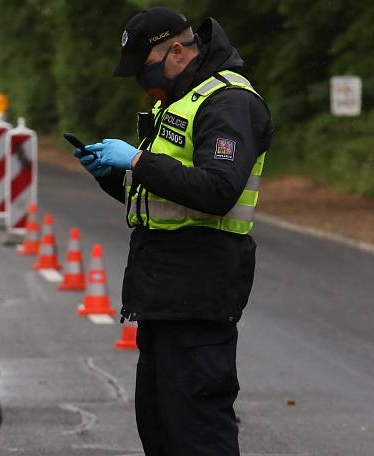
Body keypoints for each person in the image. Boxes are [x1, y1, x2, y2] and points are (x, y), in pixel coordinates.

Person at [72, 6, 273, 456]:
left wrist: (139, 160)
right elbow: (163, 199)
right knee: (160, 425)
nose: (144, 83)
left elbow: (218, 188)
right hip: (162, 295)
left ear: (177, 50)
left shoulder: (229, 102)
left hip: (201, 292)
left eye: (145, 68)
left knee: (198, 432)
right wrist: (110, 174)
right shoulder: (180, 101)